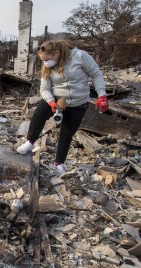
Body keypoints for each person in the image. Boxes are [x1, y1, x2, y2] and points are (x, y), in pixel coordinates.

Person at [16, 40, 109, 174]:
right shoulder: (47, 67)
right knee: (38, 115)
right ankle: (30, 142)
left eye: (47, 59)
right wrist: (51, 102)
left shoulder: (80, 56)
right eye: (43, 60)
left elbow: (96, 74)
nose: (45, 63)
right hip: (56, 99)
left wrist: (102, 95)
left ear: (57, 53)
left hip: (78, 102)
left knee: (67, 133)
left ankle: (59, 163)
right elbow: (44, 88)